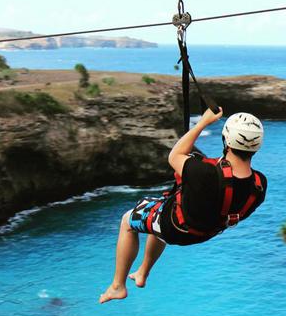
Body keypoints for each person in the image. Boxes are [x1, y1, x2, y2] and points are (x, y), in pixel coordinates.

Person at [99, 108, 267, 303]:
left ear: (226, 140)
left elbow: (175, 155)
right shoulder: (259, 185)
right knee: (159, 211)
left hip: (175, 227)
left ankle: (117, 286)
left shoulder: (203, 173)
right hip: (204, 232)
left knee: (127, 221)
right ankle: (142, 272)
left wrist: (203, 122)